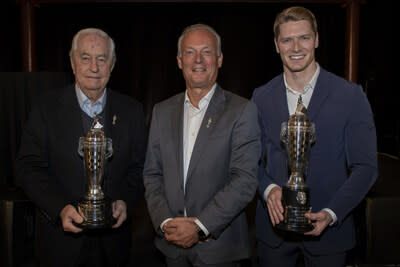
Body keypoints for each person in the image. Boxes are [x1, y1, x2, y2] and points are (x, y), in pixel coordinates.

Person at [252, 6, 378, 267]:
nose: (296, 47)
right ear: (277, 45)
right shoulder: (260, 97)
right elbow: (250, 160)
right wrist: (269, 189)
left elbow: (366, 167)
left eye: (304, 38)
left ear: (317, 39)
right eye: (287, 40)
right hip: (273, 235)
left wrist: (332, 214)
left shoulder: (350, 96)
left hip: (330, 236)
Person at [16, 28, 147, 267]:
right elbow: (28, 168)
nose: (94, 68)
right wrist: (60, 209)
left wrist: (125, 201)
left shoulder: (133, 111)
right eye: (85, 58)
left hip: (114, 245)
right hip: (59, 245)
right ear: (72, 62)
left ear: (113, 64)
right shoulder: (45, 109)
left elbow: (140, 168)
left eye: (102, 59)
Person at [143, 23, 261, 267]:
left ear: (219, 59)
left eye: (206, 52)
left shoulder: (241, 110)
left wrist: (200, 227)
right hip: (171, 247)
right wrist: (166, 223)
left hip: (219, 251)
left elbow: (244, 179)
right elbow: (152, 174)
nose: (198, 60)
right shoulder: (161, 111)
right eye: (190, 52)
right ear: (179, 60)